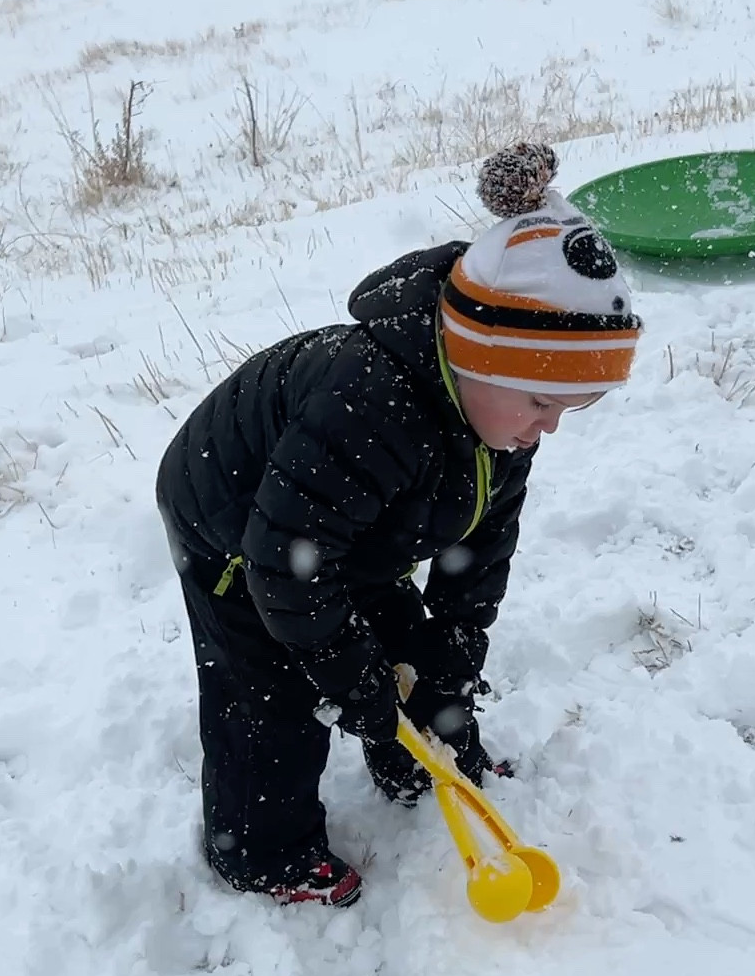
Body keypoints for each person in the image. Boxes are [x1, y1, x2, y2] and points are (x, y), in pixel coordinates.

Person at [156, 142, 641, 908]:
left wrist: (454, 648)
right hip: (237, 525)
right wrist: (356, 684)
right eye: (542, 404)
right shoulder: (372, 401)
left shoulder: (500, 415)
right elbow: (284, 564)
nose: (548, 429)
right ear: (476, 358)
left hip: (349, 530)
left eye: (568, 409)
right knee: (275, 689)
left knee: (418, 652)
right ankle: (259, 850)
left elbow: (480, 549)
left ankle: (426, 759)